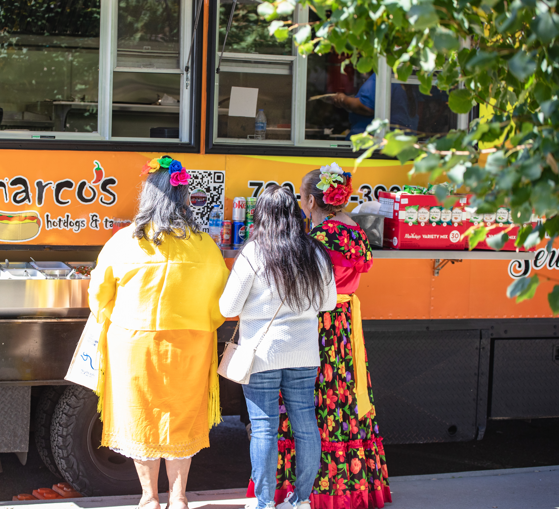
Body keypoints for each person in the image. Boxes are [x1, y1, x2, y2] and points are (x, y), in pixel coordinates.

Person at [88, 156, 229, 509]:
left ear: (146, 196)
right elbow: (221, 305)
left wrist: (117, 317)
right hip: (190, 344)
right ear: (184, 197)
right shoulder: (205, 246)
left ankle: (149, 498)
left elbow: (99, 296)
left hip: (134, 343)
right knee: (182, 417)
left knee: (141, 416)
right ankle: (178, 498)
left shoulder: (123, 241)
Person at [252, 164, 392, 509]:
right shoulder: (355, 231)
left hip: (317, 324)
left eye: (302, 198)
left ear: (312, 202)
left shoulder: (320, 238)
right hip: (345, 323)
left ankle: (305, 490)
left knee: (308, 404)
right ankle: (352, 486)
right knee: (344, 397)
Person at [220, 185, 337, 509]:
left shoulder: (253, 253)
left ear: (261, 216)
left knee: (263, 429)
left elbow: (228, 307)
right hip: (304, 353)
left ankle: (264, 502)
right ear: (296, 214)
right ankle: (301, 500)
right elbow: (328, 303)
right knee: (306, 426)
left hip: (261, 355)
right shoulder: (315, 252)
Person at [332, 73, 419, 137]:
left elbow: (366, 107)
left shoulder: (382, 73)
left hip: (371, 144)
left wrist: (343, 99)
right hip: (400, 142)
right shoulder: (404, 79)